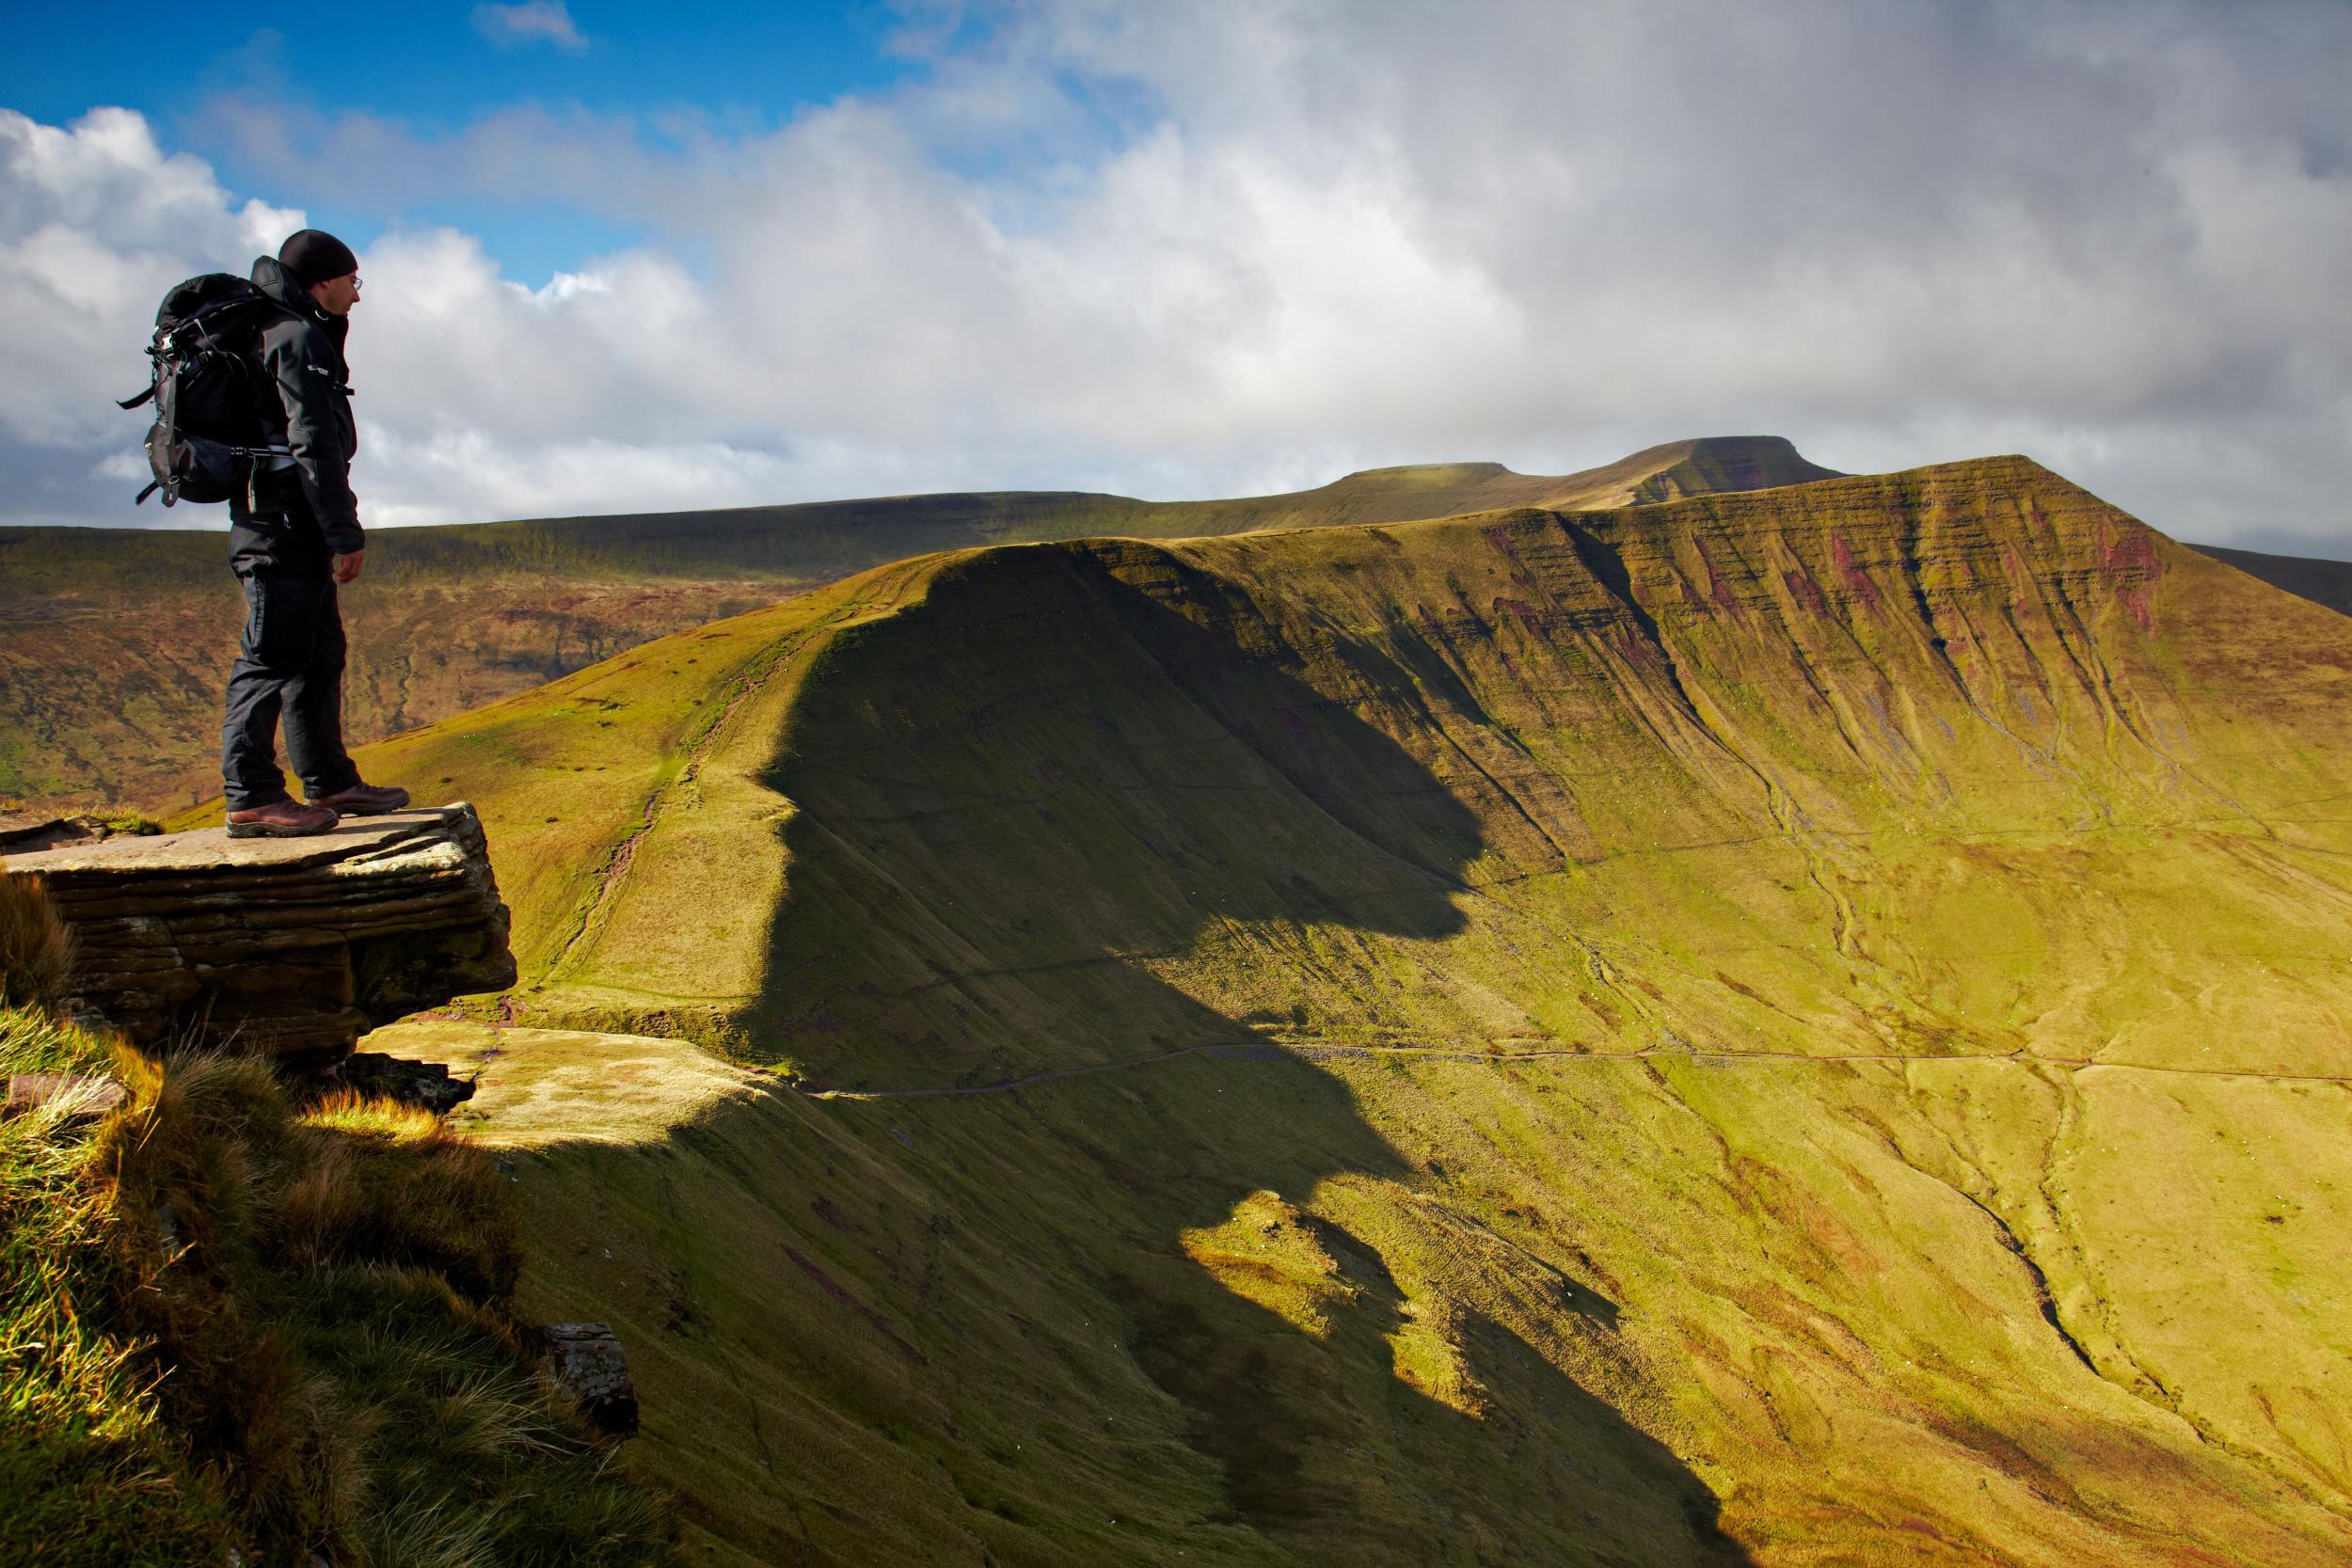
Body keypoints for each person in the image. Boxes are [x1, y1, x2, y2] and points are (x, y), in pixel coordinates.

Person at [221, 229, 409, 838]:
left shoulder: (287, 329)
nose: (357, 295)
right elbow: (314, 443)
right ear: (322, 281)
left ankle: (329, 779)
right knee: (270, 657)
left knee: (318, 653)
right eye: (352, 282)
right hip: (281, 523)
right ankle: (251, 794)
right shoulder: (297, 336)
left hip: (284, 520)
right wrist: (343, 531)